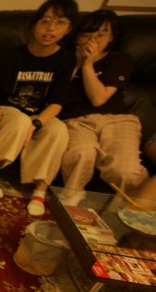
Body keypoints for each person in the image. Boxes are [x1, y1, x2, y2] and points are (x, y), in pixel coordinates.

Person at [0, 0, 78, 216]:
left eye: (60, 23)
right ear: (33, 26)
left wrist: (37, 124)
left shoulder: (66, 59)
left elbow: (57, 103)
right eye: (45, 21)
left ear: (68, 29)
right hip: (8, 109)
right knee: (20, 121)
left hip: (39, 114)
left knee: (59, 130)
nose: (51, 28)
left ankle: (39, 192)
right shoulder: (10, 55)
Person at [59, 10, 148, 204]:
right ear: (77, 38)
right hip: (76, 121)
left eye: (101, 35)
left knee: (123, 170)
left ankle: (137, 208)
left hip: (117, 120)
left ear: (111, 38)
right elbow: (56, 96)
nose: (93, 40)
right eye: (87, 35)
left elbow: (98, 99)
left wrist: (87, 65)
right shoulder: (64, 61)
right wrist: (76, 64)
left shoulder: (119, 60)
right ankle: (70, 198)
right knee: (81, 153)